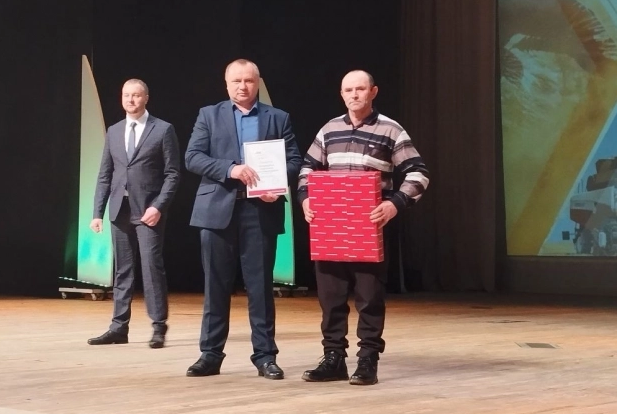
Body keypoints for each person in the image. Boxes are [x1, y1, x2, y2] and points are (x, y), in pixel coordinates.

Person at [297, 70, 429, 385]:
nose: (354, 95)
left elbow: (419, 173)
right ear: (341, 94)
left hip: (369, 227)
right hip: (330, 226)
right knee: (330, 297)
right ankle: (333, 358)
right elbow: (307, 168)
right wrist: (305, 198)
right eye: (348, 90)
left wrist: (395, 203)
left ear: (373, 92)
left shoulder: (391, 129)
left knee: (369, 297)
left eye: (360, 89)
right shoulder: (329, 129)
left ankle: (368, 359)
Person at [184, 59, 301, 380]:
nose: (242, 86)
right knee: (215, 286)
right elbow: (192, 157)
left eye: (248, 80)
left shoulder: (278, 117)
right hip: (216, 211)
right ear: (226, 84)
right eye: (236, 81)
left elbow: (294, 160)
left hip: (260, 211)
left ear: (257, 82)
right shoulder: (209, 115)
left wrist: (277, 186)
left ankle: (265, 356)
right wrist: (230, 169)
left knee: (260, 287)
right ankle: (210, 355)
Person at [88, 79, 180, 349]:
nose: (130, 100)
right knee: (123, 270)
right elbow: (105, 175)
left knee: (152, 267)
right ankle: (119, 327)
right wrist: (97, 212)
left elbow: (173, 174)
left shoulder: (162, 129)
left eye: (136, 95)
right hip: (120, 209)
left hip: (148, 211)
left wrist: (158, 206)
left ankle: (159, 325)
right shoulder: (114, 130)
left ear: (146, 98)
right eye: (126, 95)